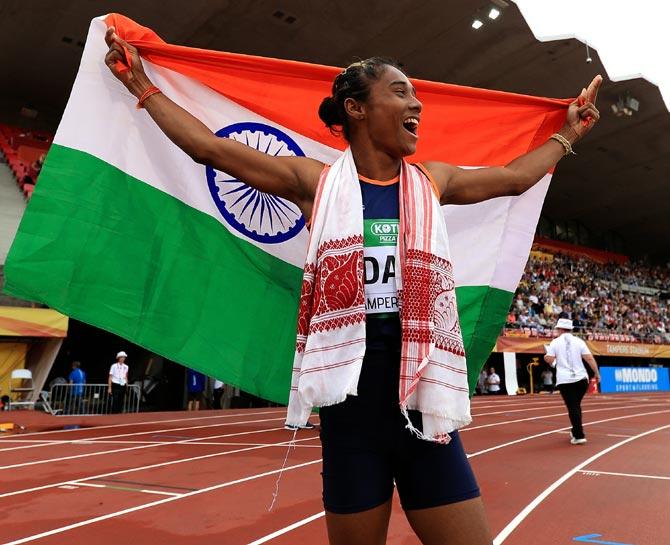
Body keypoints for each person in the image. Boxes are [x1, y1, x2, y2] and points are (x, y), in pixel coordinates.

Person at [104, 27, 600, 545]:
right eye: (401, 91)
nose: (417, 105)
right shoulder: (316, 184)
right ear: (356, 109)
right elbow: (209, 149)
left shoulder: (434, 181)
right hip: (351, 408)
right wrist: (142, 84)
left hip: (422, 401)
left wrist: (570, 135)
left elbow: (515, 178)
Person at [544, 318, 600, 444]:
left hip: (565, 380)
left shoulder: (555, 342)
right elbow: (589, 358)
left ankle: (579, 435)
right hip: (581, 379)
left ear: (561, 329)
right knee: (576, 406)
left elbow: (550, 358)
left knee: (573, 407)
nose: (557, 331)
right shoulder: (579, 341)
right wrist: (596, 373)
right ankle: (575, 430)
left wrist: (546, 357)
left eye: (557, 329)